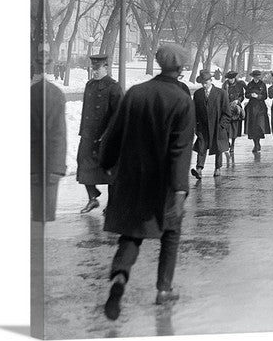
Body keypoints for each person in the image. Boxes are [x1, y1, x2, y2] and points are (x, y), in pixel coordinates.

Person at [100, 43, 195, 320]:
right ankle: (164, 289)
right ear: (180, 68)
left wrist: (106, 164)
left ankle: (119, 277)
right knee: (171, 233)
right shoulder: (181, 100)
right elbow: (180, 149)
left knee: (131, 233)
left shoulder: (136, 93)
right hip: (163, 183)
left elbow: (114, 132)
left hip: (130, 179)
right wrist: (179, 189)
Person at [76, 54, 122, 214]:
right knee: (83, 166)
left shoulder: (113, 87)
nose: (94, 72)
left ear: (106, 68)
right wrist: (83, 132)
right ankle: (92, 198)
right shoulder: (90, 85)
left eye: (97, 69)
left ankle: (112, 205)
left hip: (106, 137)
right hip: (89, 136)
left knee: (110, 172)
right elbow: (86, 111)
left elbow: (118, 114)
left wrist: (109, 134)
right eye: (92, 69)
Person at [31, 48, 66, 222]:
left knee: (36, 216)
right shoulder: (57, 94)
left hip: (32, 166)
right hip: (50, 165)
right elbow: (59, 135)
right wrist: (57, 168)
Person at [191, 71, 231, 179]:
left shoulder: (221, 93)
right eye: (202, 83)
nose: (204, 85)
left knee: (218, 147)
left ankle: (217, 168)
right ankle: (199, 169)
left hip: (217, 126)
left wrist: (221, 126)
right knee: (201, 147)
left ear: (211, 81)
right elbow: (194, 111)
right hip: (203, 126)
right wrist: (196, 126)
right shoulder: (198, 94)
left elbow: (227, 113)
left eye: (206, 82)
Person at [244, 69, 270, 153]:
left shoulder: (262, 84)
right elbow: (246, 95)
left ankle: (258, 143)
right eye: (255, 77)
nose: (256, 79)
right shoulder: (250, 84)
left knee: (259, 126)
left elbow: (265, 96)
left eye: (258, 77)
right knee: (252, 127)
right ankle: (255, 144)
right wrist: (251, 95)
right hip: (251, 107)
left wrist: (258, 96)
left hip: (260, 107)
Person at [222, 71, 245, 158]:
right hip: (227, 108)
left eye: (232, 78)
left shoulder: (239, 85)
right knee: (226, 127)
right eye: (229, 79)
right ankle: (227, 142)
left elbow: (242, 96)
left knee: (235, 128)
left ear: (235, 78)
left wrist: (238, 101)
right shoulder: (225, 85)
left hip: (236, 109)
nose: (231, 80)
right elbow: (222, 95)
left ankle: (233, 144)